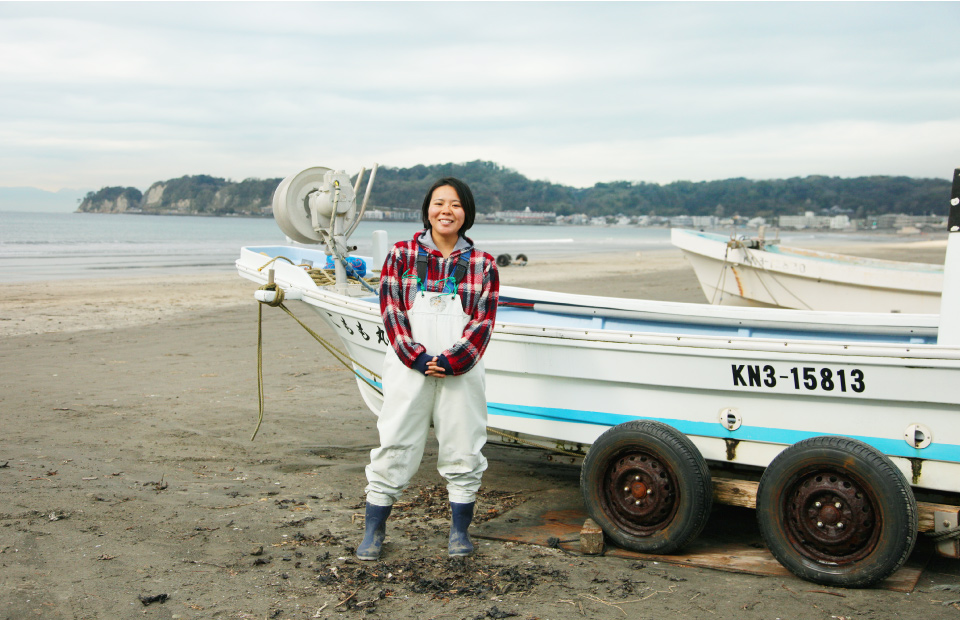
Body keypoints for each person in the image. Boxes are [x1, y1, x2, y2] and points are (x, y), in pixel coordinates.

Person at [357, 177, 499, 560]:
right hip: (409, 369)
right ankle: (374, 530)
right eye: (439, 203)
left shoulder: (484, 264)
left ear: (466, 212)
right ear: (427, 210)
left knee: (464, 446)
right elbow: (391, 312)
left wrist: (454, 361)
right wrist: (416, 357)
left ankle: (459, 532)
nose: (446, 211)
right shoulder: (401, 255)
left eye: (455, 204)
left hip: (461, 372)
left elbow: (483, 323)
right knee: (395, 441)